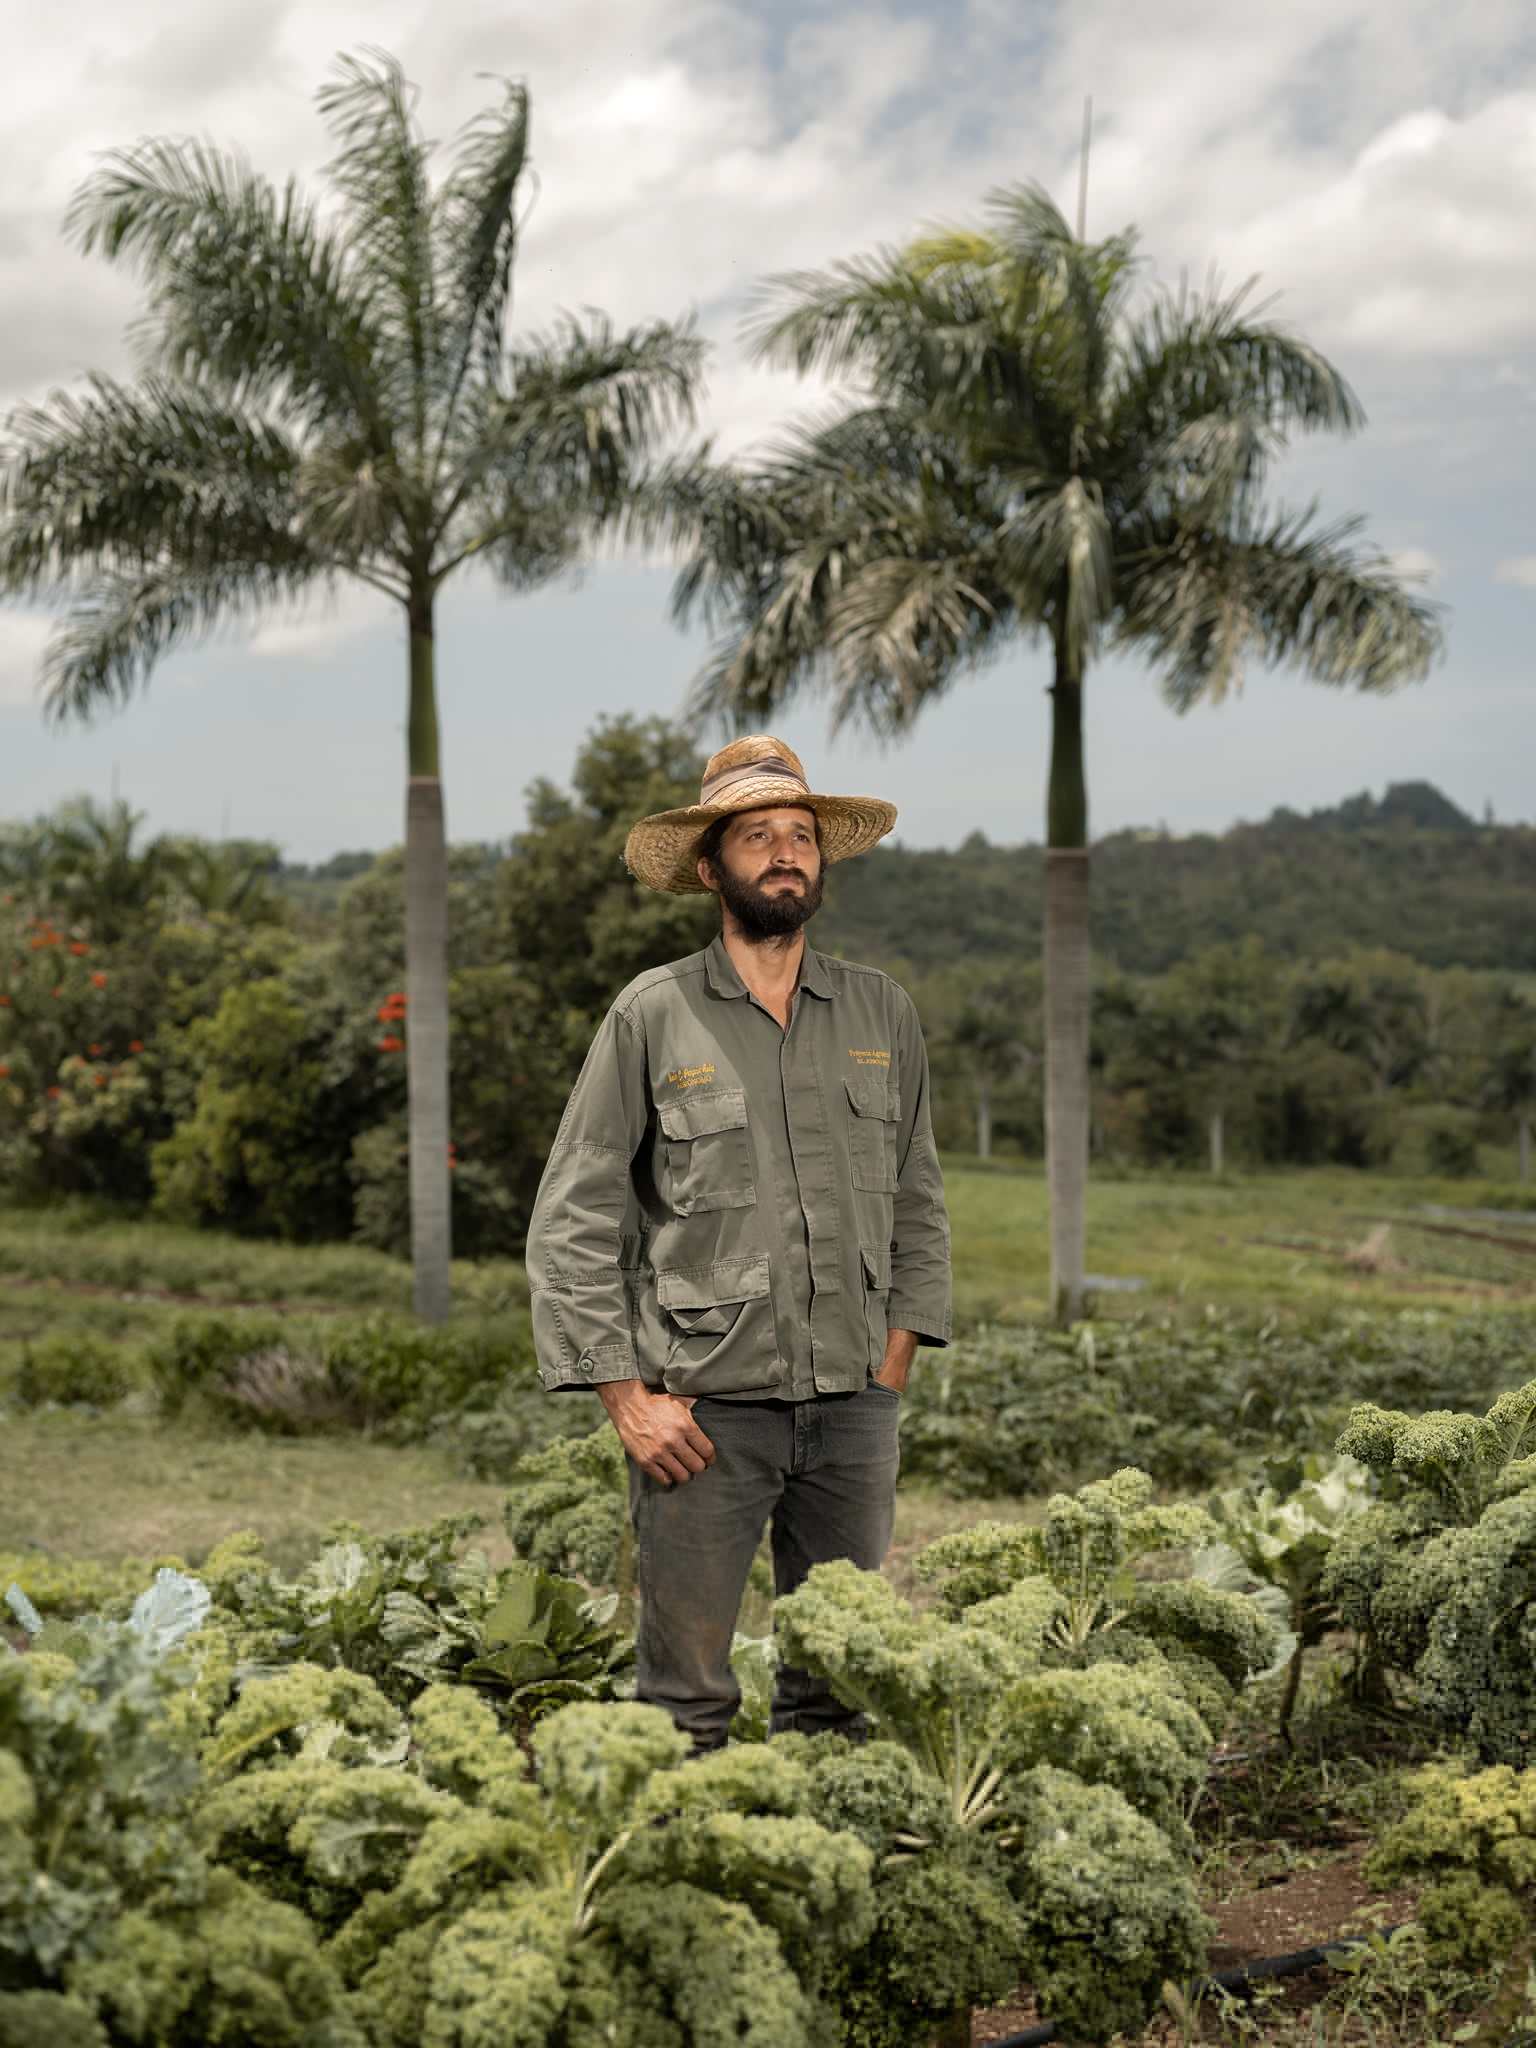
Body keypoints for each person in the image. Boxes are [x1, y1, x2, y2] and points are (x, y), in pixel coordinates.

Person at [525, 734, 951, 1750]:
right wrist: (627, 1397)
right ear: (712, 867)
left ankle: (822, 1892)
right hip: (702, 1419)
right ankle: (693, 1891)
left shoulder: (878, 1009)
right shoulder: (653, 1014)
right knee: (687, 1701)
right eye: (757, 836)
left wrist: (892, 1364)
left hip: (854, 1415)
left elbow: (918, 1199)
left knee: (839, 1686)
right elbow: (573, 1219)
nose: (785, 852)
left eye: (800, 834)